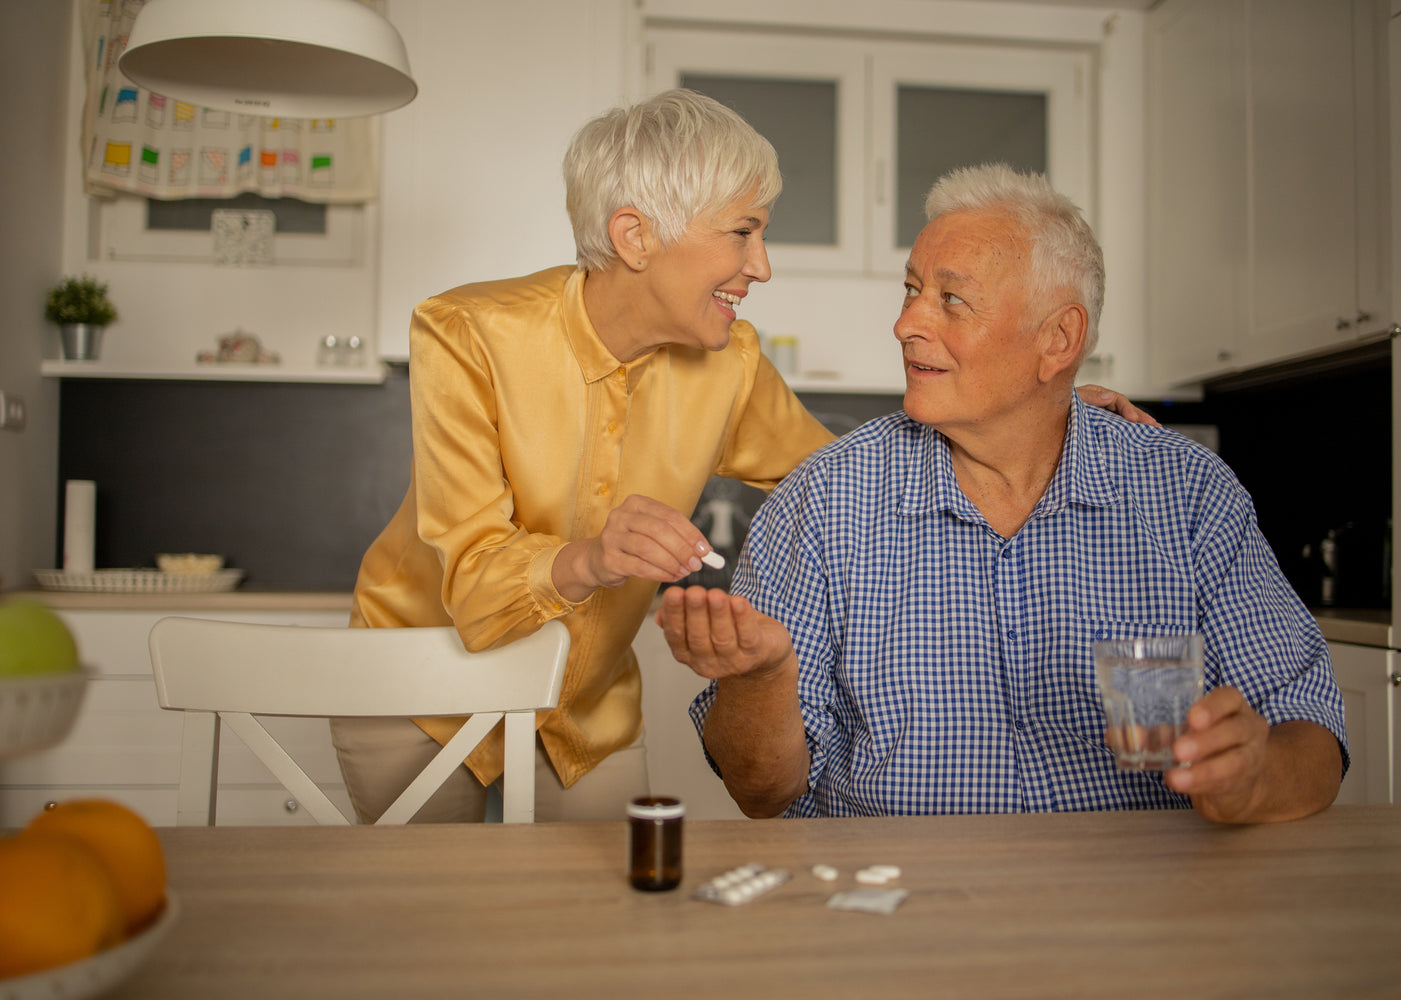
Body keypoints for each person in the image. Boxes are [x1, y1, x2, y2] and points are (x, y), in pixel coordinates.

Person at [334, 92, 1155, 824]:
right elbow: (473, 575)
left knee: (604, 945)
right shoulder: (466, 331)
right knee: (419, 937)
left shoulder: (727, 362)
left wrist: (1030, 406)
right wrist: (589, 557)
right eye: (742, 232)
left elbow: (852, 473)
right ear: (636, 235)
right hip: (421, 690)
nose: (760, 265)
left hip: (580, 712)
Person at [657, 162, 1348, 824]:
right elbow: (761, 792)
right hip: (896, 910)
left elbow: (1312, 735)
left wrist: (1254, 778)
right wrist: (759, 679)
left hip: (1141, 907)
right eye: (911, 290)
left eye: (951, 299)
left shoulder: (1185, 493)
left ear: (1058, 340)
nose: (906, 324)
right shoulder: (822, 503)